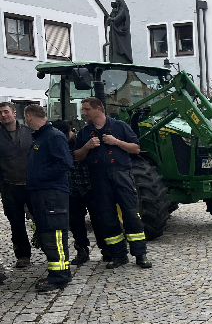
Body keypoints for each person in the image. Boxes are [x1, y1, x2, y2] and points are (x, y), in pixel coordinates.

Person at [74, 97, 152, 269]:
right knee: (107, 217)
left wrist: (116, 142)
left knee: (131, 214)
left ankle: (140, 254)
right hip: (98, 177)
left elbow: (136, 148)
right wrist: (87, 146)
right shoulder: (85, 132)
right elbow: (77, 156)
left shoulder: (119, 126)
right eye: (83, 109)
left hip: (121, 174)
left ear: (99, 108)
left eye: (87, 109)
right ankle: (118, 255)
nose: (84, 113)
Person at [24, 106, 72, 292]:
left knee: (55, 234)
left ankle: (59, 276)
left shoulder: (53, 136)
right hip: (42, 193)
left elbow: (64, 163)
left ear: (28, 117)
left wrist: (38, 176)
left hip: (52, 194)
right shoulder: (42, 137)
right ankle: (58, 273)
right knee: (47, 234)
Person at [55, 120, 100, 266]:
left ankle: (107, 250)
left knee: (99, 221)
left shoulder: (82, 138)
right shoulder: (57, 142)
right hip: (71, 189)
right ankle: (82, 250)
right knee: (76, 223)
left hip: (90, 187)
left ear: (70, 130)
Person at [0, 101, 33, 268]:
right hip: (10, 185)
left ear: (14, 113)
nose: (3, 115)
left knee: (42, 219)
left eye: (6, 112)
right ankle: (23, 255)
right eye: (0, 113)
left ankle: (49, 249)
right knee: (16, 223)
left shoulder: (29, 132)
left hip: (32, 184)